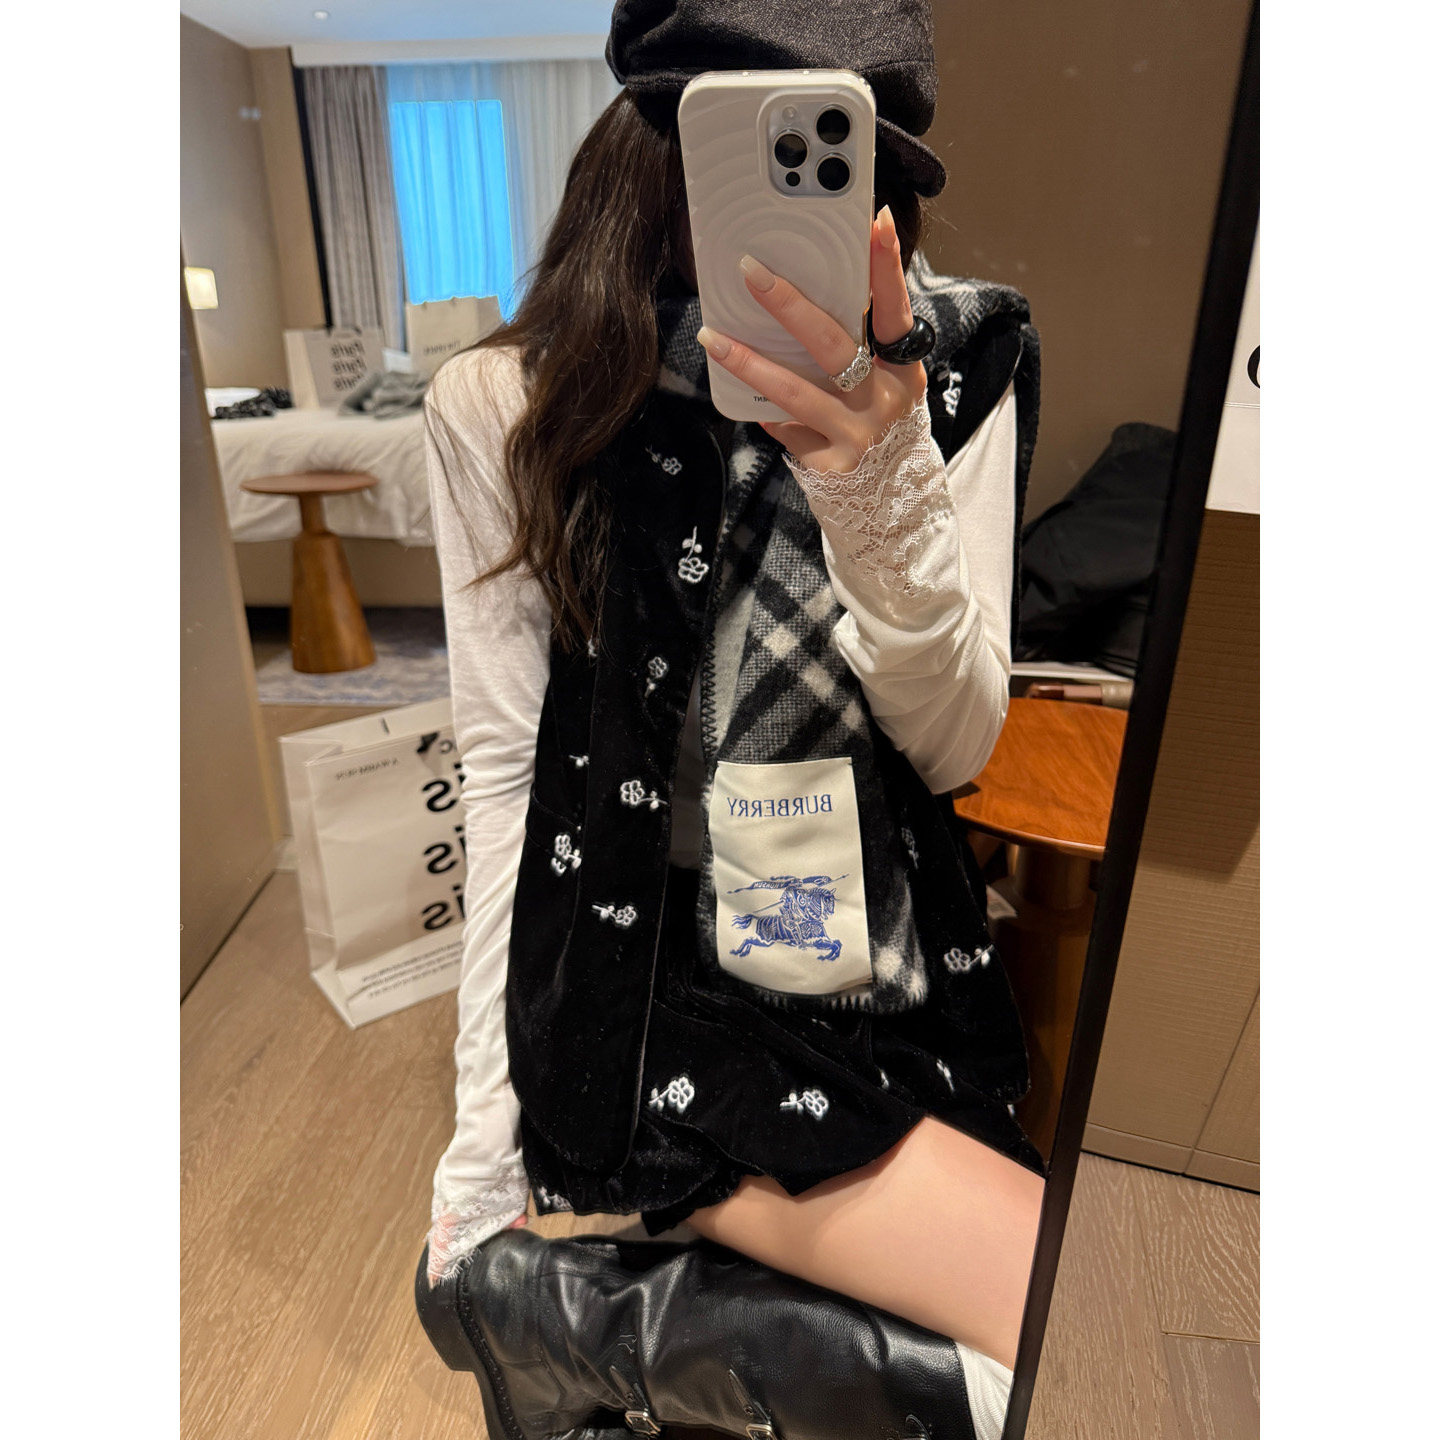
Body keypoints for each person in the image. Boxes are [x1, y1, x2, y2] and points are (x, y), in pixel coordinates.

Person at [414, 4, 1046, 1437]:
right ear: (654, 148)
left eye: (835, 158)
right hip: (647, 982)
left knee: (1073, 1335)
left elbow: (955, 750)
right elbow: (509, 777)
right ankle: (602, 1307)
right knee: (1073, 1332)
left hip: (884, 952)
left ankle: (606, 1334)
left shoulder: (959, 364)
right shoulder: (509, 401)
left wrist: (880, 496)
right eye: (737, 146)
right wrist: (482, 1161)